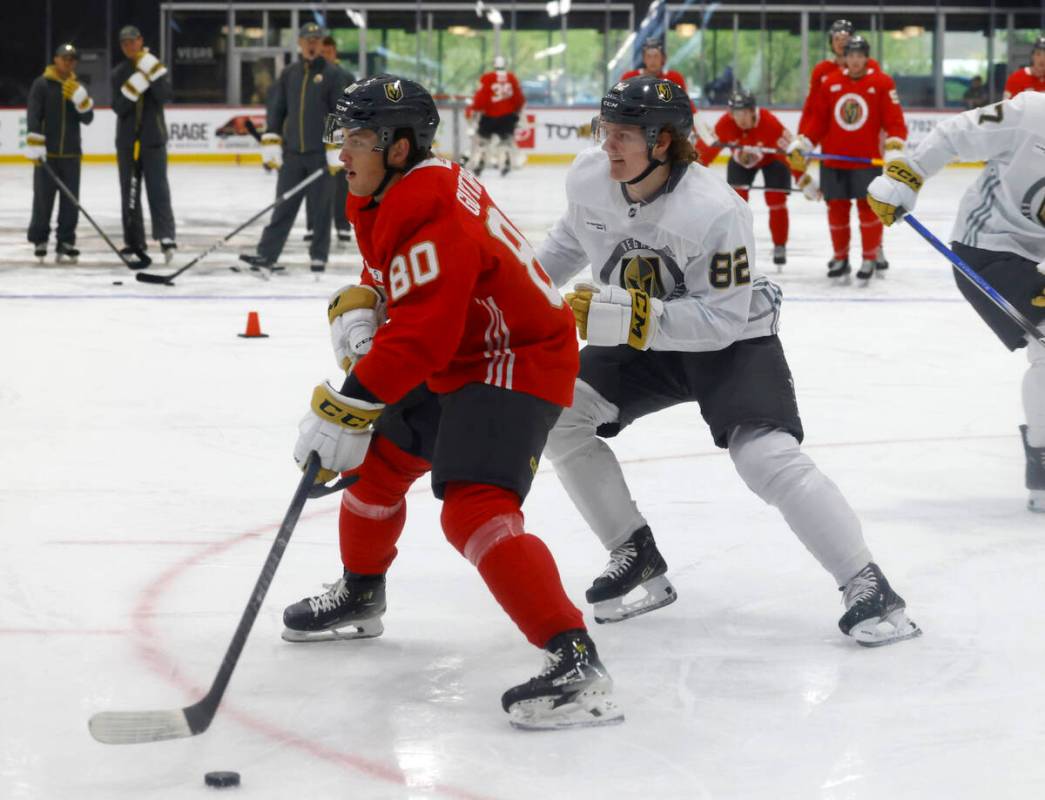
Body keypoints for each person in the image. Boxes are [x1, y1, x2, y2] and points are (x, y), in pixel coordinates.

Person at [283, 74, 622, 729]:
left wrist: (345, 403)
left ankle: (574, 661)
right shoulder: (390, 193)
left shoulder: (424, 202)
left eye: (356, 139)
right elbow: (402, 293)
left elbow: (422, 333)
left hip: (514, 357)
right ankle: (360, 592)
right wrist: (362, 312)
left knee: (473, 509)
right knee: (376, 466)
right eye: (342, 137)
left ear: (400, 147)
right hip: (463, 353)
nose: (342, 152)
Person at [535, 75, 920, 647]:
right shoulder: (590, 176)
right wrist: (512, 299)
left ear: (662, 142)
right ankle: (632, 551)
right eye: (604, 130)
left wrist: (629, 317)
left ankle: (867, 583)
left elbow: (721, 321)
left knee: (764, 455)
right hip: (643, 335)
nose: (606, 145)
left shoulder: (717, 210)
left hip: (730, 338)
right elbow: (567, 245)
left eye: (621, 135)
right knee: (559, 415)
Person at [867, 92, 1045, 511]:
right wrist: (906, 176)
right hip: (989, 249)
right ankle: (1042, 461)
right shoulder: (1032, 114)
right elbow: (956, 133)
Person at [788, 35, 907, 282]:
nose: (854, 60)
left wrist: (894, 146)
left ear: (866, 58)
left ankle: (868, 258)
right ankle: (840, 257)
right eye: (850, 56)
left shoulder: (882, 83)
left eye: (859, 56)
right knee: (837, 211)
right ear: (844, 58)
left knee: (868, 211)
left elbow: (894, 121)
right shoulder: (829, 83)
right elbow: (818, 121)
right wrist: (805, 141)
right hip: (834, 161)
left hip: (866, 161)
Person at [240, 22, 347, 274]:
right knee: (283, 207)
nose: (312, 43)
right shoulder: (290, 74)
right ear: (300, 43)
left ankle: (319, 256)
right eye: (307, 39)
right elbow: (277, 110)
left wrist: (335, 147)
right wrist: (271, 140)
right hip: (293, 155)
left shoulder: (333, 75)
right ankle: (267, 254)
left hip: (321, 156)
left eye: (316, 39)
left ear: (321, 44)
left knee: (321, 209)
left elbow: (338, 112)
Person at [700, 90, 820, 268]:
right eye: (735, 113)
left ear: (752, 111)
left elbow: (790, 156)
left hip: (772, 162)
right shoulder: (726, 123)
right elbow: (706, 153)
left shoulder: (770, 124)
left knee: (775, 199)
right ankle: (736, 244)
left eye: (743, 113)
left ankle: (779, 245)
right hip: (740, 162)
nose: (739, 119)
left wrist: (804, 180)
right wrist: (690, 171)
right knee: (736, 202)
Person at [112, 25, 177, 263]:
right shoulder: (119, 72)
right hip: (128, 143)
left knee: (158, 190)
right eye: (125, 43)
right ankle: (133, 241)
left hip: (153, 141)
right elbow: (118, 107)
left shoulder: (155, 68)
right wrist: (133, 87)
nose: (129, 46)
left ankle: (166, 237)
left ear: (141, 41)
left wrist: (152, 75)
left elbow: (165, 96)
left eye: (133, 41)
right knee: (129, 193)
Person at [26, 43, 94, 264]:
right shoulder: (41, 84)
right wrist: (36, 142)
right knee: (43, 201)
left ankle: (66, 241)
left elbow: (88, 119)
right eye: (64, 58)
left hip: (72, 155)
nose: (68, 62)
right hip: (48, 155)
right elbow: (34, 114)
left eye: (72, 59)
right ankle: (40, 240)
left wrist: (82, 103)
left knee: (70, 203)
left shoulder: (77, 87)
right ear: (55, 59)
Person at [305, 35, 356, 248]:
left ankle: (342, 225)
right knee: (314, 184)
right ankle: (313, 226)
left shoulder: (345, 75)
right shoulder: (310, 75)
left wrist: (341, 137)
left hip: (338, 137)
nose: (323, 56)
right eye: (320, 52)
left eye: (326, 52)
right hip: (314, 137)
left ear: (333, 52)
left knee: (340, 185)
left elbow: (351, 107)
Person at [463, 56, 524, 178]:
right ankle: (506, 161)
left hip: (489, 116)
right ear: (505, 64)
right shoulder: (511, 78)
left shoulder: (488, 77)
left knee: (483, 142)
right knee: (505, 142)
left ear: (494, 65)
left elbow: (481, 96)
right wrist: (516, 112)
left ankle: (480, 161)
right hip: (507, 117)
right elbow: (518, 98)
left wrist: (474, 108)